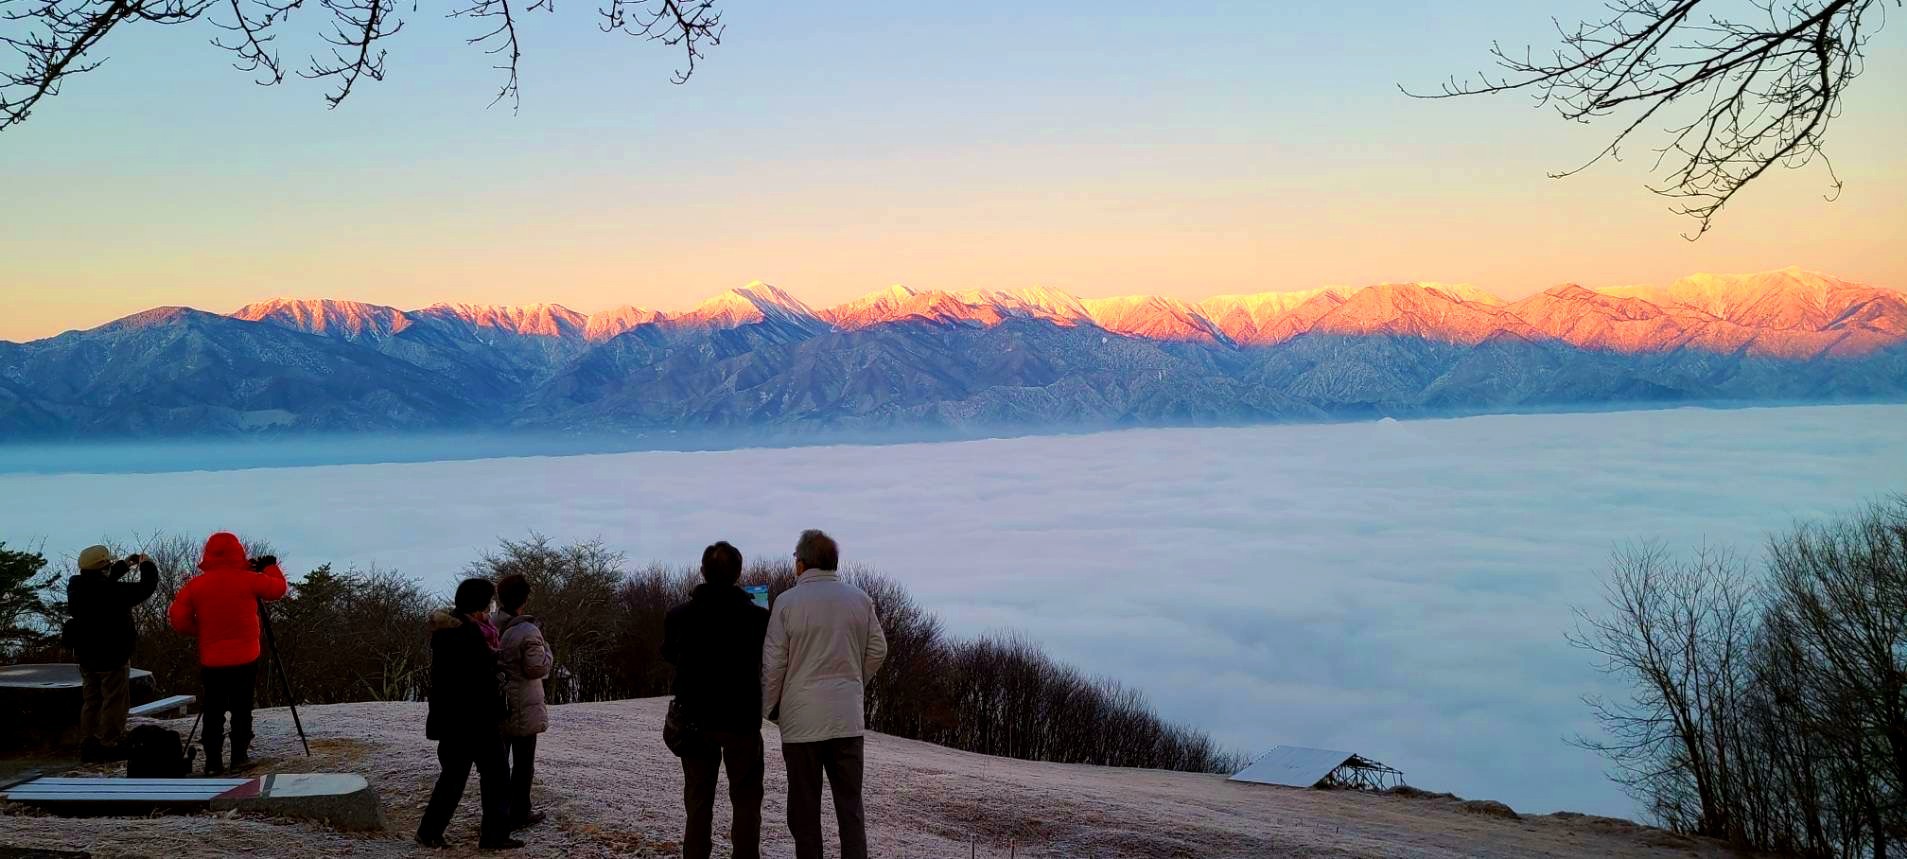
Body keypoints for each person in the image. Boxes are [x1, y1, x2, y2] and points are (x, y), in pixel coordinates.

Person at [761, 530, 888, 859]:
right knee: (850, 807)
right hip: (846, 720)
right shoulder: (860, 599)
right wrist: (853, 681)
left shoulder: (786, 603)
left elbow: (774, 663)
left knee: (804, 810)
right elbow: (878, 650)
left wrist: (768, 707)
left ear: (801, 565)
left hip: (801, 722)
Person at [663, 541, 771, 859]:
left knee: (698, 801)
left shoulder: (679, 616)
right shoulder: (758, 619)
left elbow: (669, 653)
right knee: (747, 801)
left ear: (702, 572)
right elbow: (768, 659)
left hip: (695, 719)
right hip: (742, 719)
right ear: (739, 574)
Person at [166, 532, 288, 775]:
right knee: (242, 707)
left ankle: (213, 762)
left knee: (213, 709)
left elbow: (178, 620)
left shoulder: (196, 585)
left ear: (208, 555)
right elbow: (278, 589)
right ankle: (239, 757)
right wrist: (270, 567)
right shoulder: (249, 579)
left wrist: (202, 630)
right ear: (238, 552)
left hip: (212, 658)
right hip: (245, 656)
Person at [417, 578, 520, 851]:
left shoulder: (451, 630)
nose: (490, 609)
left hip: (455, 720)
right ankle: (494, 836)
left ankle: (429, 832)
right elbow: (474, 678)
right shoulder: (467, 635)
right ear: (478, 606)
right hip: (475, 718)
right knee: (497, 776)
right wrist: (496, 667)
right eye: (487, 603)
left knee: (453, 778)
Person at [66, 545, 159, 763]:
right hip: (112, 656)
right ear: (103, 568)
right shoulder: (113, 592)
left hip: (87, 655)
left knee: (91, 701)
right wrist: (148, 564)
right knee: (114, 701)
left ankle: (87, 742)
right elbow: (146, 587)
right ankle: (108, 742)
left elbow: (102, 580)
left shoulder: (77, 587)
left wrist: (125, 565)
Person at [495, 573, 552, 833]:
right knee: (523, 764)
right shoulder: (528, 630)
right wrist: (548, 652)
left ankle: (498, 812)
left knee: (497, 763)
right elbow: (536, 668)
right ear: (524, 599)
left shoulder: (489, 625)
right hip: (523, 703)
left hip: (496, 701)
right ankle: (520, 812)